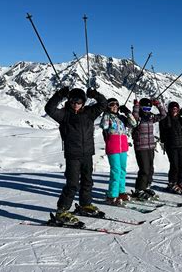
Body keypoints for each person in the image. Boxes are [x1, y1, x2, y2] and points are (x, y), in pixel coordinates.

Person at [44, 86, 107, 224]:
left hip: (87, 153)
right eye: (73, 102)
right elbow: (49, 109)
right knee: (72, 184)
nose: (76, 105)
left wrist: (95, 94)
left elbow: (104, 104)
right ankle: (62, 211)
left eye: (79, 102)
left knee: (87, 181)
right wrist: (59, 94)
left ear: (83, 102)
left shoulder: (90, 113)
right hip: (73, 154)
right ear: (69, 101)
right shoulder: (65, 115)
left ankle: (85, 205)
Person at [99, 98, 137, 205]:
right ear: (108, 106)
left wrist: (128, 113)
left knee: (122, 170)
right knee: (115, 171)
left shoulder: (121, 118)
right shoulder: (107, 117)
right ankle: (112, 194)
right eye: (112, 104)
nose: (115, 106)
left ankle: (121, 191)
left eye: (117, 104)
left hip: (123, 147)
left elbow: (134, 124)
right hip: (113, 148)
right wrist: (106, 113)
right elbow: (104, 126)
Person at [131, 97, 167, 200]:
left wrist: (158, 104)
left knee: (150, 169)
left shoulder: (151, 117)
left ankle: (146, 187)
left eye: (148, 109)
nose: (147, 111)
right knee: (144, 169)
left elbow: (163, 115)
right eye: (145, 108)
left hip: (150, 146)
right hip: (141, 147)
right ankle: (139, 189)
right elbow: (134, 116)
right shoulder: (138, 118)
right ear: (141, 108)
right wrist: (136, 106)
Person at [159, 101, 182, 193]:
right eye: (173, 109)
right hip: (171, 145)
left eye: (176, 109)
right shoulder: (166, 118)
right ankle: (172, 183)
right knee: (174, 166)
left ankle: (180, 182)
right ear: (169, 109)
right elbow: (165, 127)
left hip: (180, 145)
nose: (175, 110)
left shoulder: (179, 118)